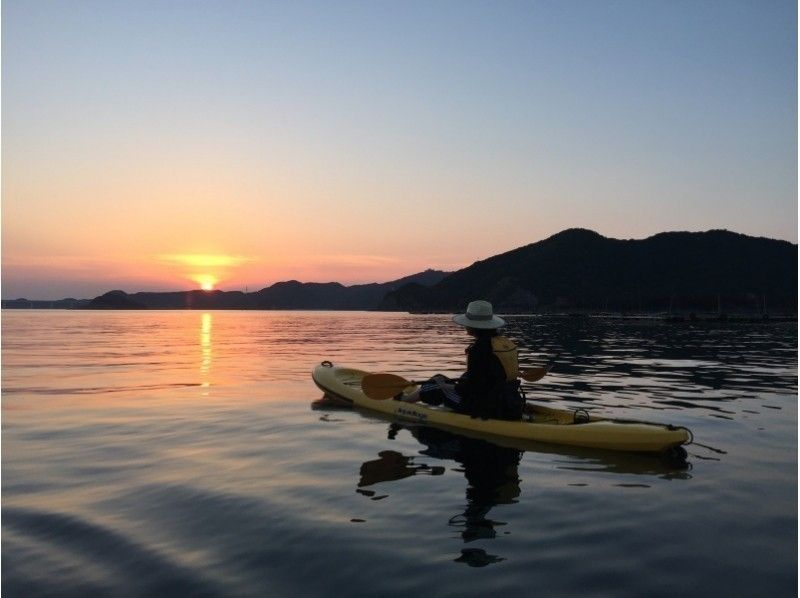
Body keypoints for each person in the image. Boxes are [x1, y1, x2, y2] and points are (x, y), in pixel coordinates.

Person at [396, 300, 525, 420]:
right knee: (441, 377)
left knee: (434, 385)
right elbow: (490, 376)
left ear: (474, 326)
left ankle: (402, 402)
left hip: (483, 406)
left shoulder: (478, 350)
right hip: (510, 399)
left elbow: (469, 388)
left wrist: (443, 385)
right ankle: (415, 395)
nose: (465, 326)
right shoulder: (504, 343)